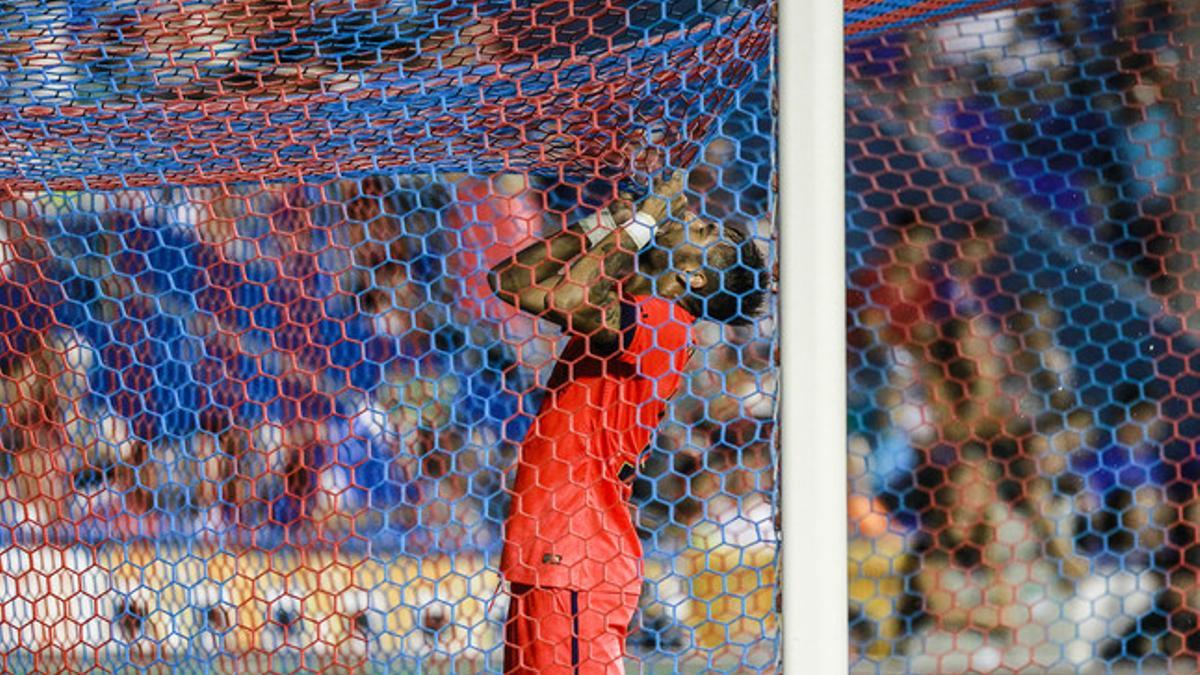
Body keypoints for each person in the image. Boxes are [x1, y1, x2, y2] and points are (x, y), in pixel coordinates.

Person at [488, 169, 769, 673]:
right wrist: (609, 222)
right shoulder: (637, 308)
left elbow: (555, 298)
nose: (694, 219)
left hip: (578, 554)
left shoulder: (663, 322)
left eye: (704, 232)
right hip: (555, 549)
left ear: (694, 276)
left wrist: (641, 223)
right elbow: (511, 282)